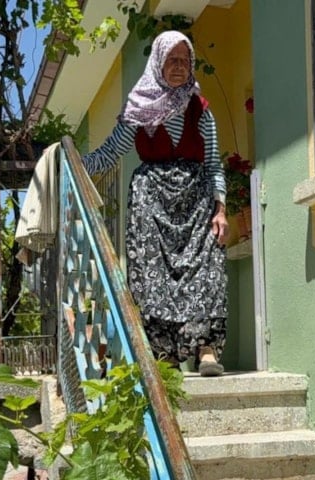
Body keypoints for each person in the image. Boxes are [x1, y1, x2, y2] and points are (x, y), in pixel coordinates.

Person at [82, 30, 229, 377]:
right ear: (158, 63)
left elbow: (213, 164)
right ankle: (166, 357)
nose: (178, 66)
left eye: (185, 60)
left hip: (196, 203)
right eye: (171, 60)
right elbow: (109, 154)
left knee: (207, 269)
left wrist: (221, 209)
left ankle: (206, 351)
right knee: (154, 279)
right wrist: (72, 159)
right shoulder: (138, 109)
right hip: (151, 204)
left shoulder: (200, 110)